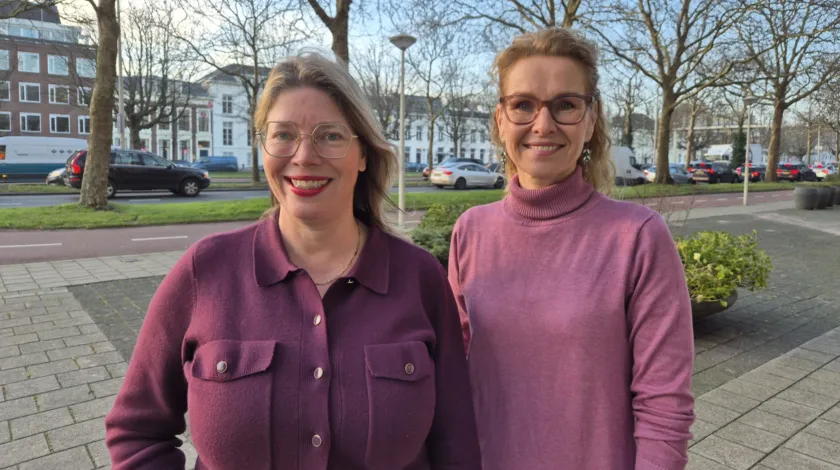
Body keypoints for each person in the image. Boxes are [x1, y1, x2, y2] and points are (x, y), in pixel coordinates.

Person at [105, 52, 482, 470]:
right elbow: (137, 431)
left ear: (363, 155)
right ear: (264, 148)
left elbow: (456, 441)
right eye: (283, 134)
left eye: (331, 136)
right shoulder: (205, 271)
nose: (304, 156)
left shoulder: (420, 278)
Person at [448, 28, 695, 470]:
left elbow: (664, 404)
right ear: (500, 119)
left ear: (590, 119)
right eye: (523, 105)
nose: (543, 125)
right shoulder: (471, 231)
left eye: (565, 105)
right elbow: (455, 376)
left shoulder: (637, 237)